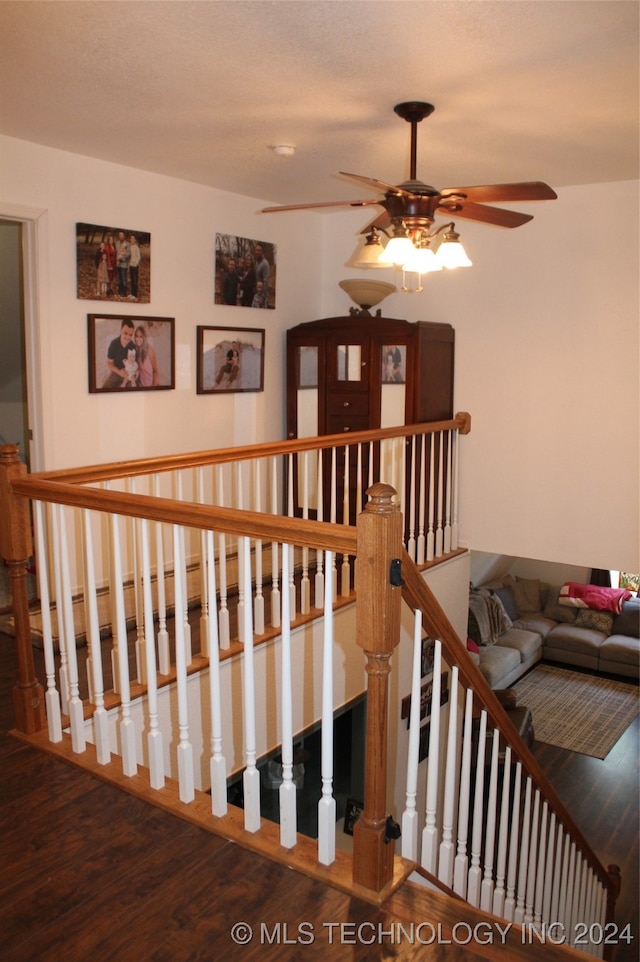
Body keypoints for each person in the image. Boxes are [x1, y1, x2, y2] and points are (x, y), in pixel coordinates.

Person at [102, 318, 136, 388]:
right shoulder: (114, 344)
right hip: (116, 372)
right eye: (125, 333)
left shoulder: (132, 346)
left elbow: (135, 363)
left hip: (129, 373)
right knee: (105, 387)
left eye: (130, 335)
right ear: (120, 330)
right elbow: (109, 363)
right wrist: (119, 372)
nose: (128, 337)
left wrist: (132, 374)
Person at [115, 230, 131, 297]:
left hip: (124, 263)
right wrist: (117, 259)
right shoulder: (117, 243)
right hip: (118, 263)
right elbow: (116, 252)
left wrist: (122, 257)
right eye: (120, 235)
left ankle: (124, 292)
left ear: (124, 236)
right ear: (119, 236)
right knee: (118, 277)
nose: (121, 236)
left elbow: (129, 253)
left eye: (122, 235)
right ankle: (119, 291)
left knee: (123, 277)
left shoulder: (127, 244)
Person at [128, 234, 141, 300]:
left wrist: (135, 264)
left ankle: (135, 295)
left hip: (135, 266)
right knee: (132, 280)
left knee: (135, 280)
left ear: (135, 240)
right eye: (131, 239)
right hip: (131, 265)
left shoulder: (136, 247)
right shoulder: (130, 247)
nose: (132, 240)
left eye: (133, 239)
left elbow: (139, 257)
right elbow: (129, 256)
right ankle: (132, 294)